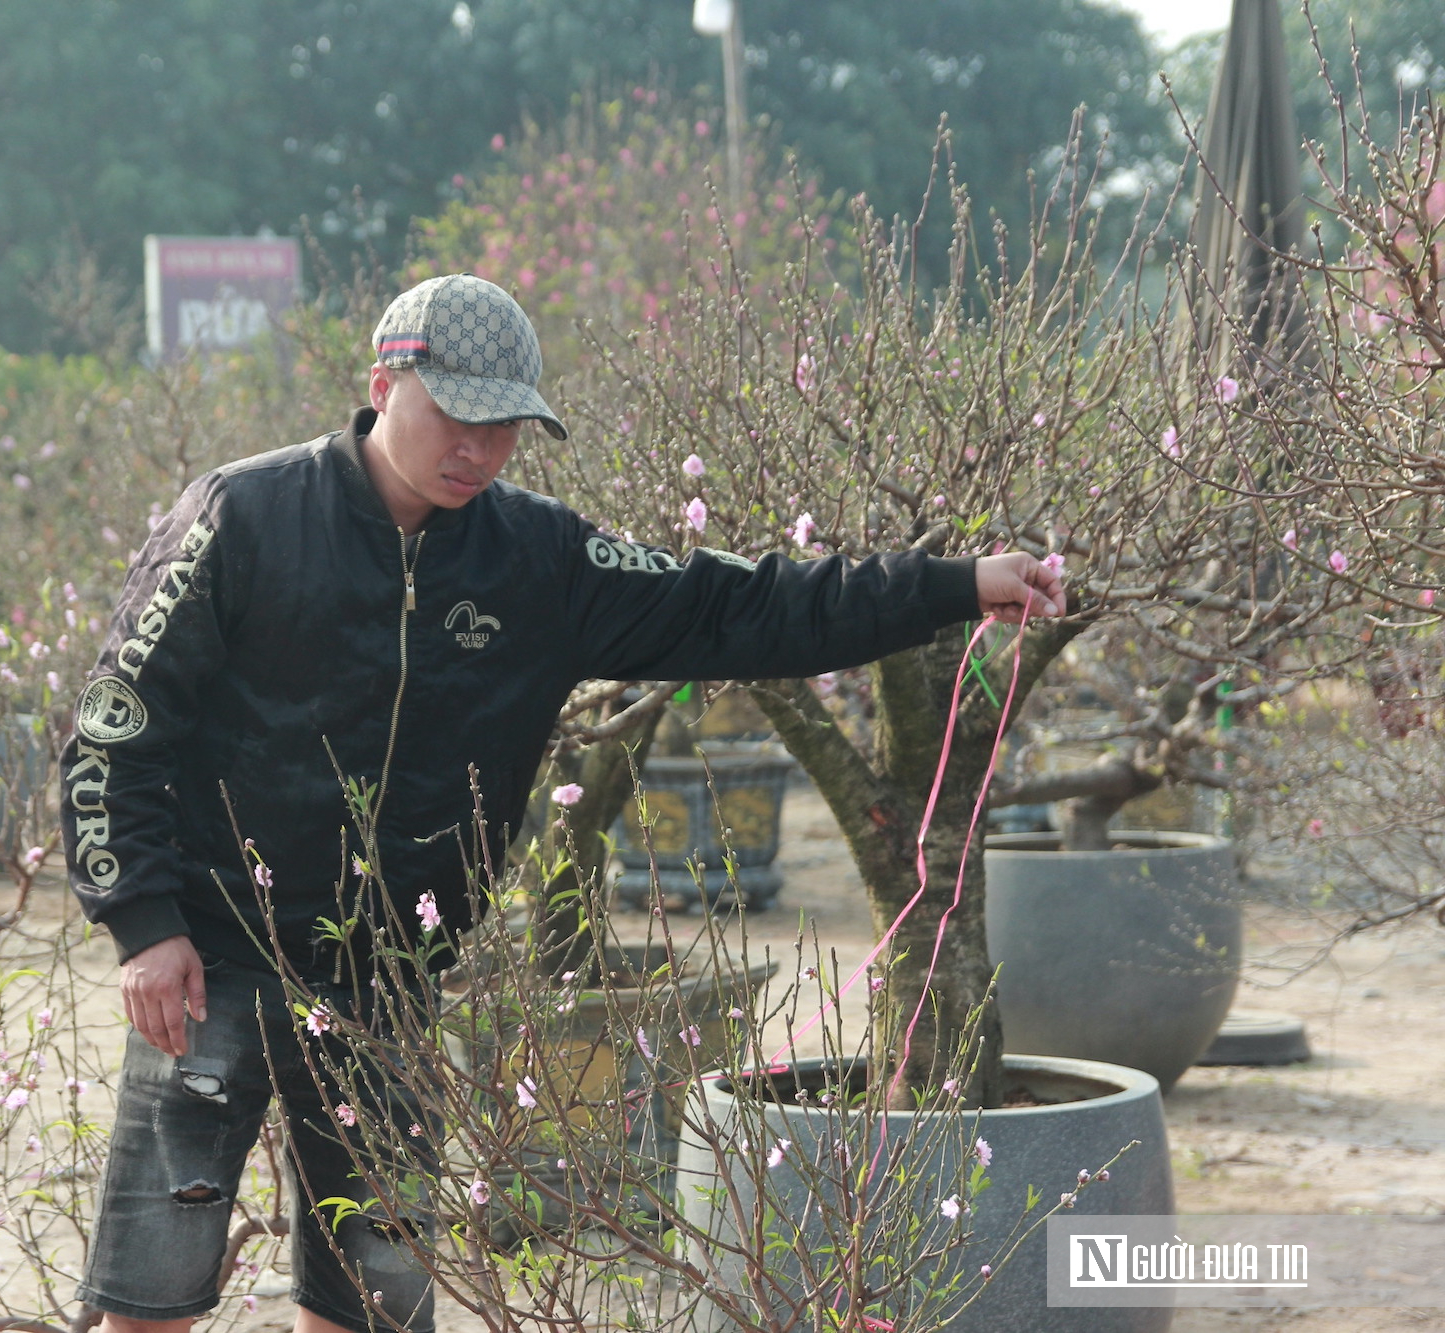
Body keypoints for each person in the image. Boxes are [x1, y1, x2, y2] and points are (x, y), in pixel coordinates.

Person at [59, 274, 1065, 1333]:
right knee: (152, 1291)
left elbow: (741, 606)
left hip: (394, 983)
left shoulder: (537, 558)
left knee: (373, 1303)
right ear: (382, 384)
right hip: (213, 967)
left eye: (504, 427)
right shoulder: (244, 516)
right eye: (456, 415)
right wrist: (144, 922)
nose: (479, 451)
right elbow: (115, 726)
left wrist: (954, 585)